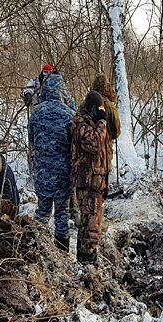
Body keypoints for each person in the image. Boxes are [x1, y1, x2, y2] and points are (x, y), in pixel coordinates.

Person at [28, 74, 74, 252]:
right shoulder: (69, 114)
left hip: (43, 173)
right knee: (62, 213)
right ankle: (62, 253)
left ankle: (36, 249)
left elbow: (31, 141)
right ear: (61, 91)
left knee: (42, 211)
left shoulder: (36, 113)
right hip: (63, 174)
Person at [71, 91, 112, 264]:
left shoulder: (91, 123)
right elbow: (93, 144)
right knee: (91, 225)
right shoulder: (81, 122)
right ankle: (87, 262)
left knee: (90, 223)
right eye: (99, 109)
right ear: (93, 108)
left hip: (96, 181)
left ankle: (83, 260)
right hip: (87, 182)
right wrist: (102, 121)